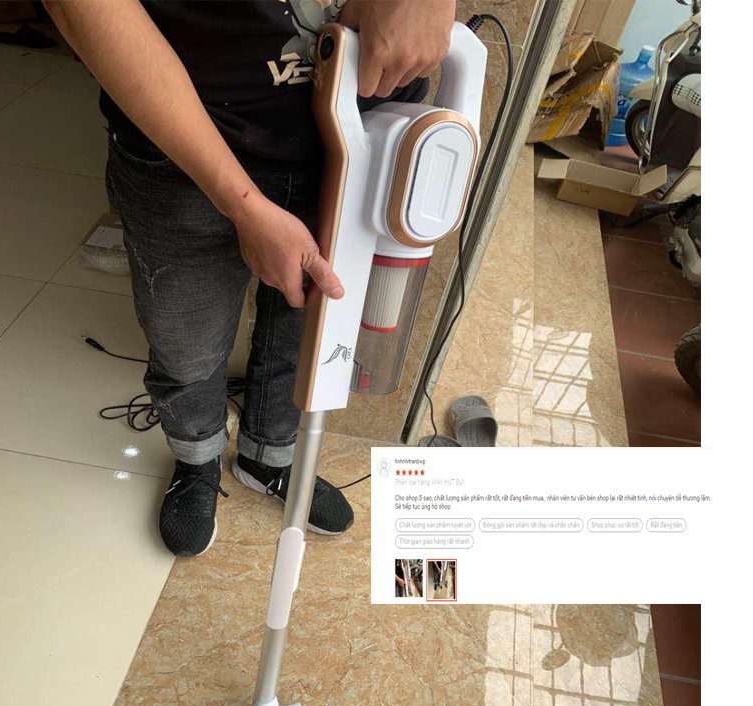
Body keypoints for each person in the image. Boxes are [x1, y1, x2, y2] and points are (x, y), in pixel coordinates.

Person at [44, 0, 455, 556]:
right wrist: (243, 207)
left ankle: (269, 458)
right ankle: (197, 458)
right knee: (186, 342)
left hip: (358, 135)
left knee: (307, 332)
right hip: (184, 143)